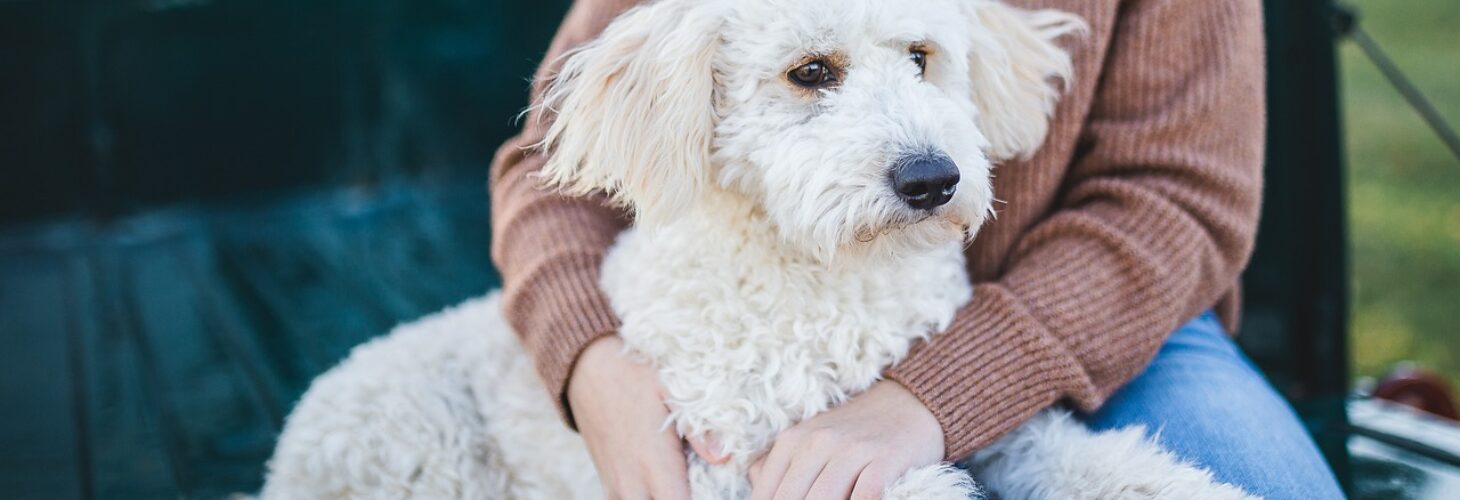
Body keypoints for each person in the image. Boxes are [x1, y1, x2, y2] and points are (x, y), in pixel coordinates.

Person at [488, 0, 1346, 498]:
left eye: (920, 57)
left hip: (1109, 306)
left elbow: (1181, 198)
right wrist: (592, 363)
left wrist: (930, 400)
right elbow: (549, 162)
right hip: (744, 292)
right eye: (811, 73)